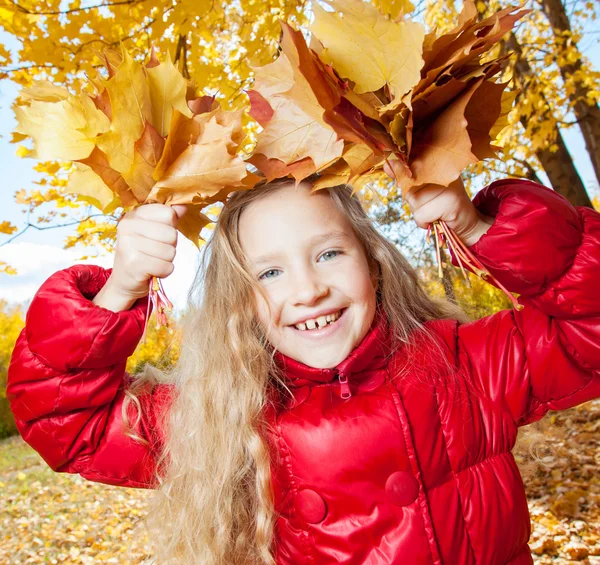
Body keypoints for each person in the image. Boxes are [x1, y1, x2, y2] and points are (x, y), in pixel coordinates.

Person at [6, 174, 600, 565]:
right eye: (269, 273)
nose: (309, 289)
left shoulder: (467, 365)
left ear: (373, 263)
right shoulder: (222, 414)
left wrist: (477, 228)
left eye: (328, 253)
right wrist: (120, 289)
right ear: (240, 303)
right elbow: (69, 423)